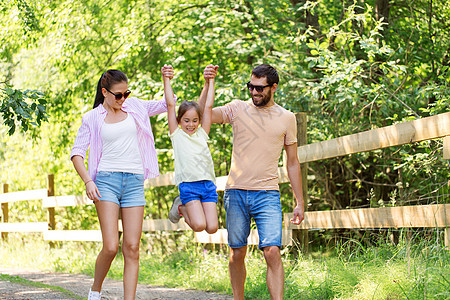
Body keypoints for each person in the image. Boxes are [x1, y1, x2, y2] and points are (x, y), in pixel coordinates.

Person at [199, 64, 305, 300]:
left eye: (260, 88)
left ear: (273, 87)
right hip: (235, 193)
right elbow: (200, 113)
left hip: (267, 194)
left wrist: (300, 201)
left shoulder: (287, 118)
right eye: (251, 87)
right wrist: (208, 84)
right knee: (237, 253)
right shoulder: (237, 108)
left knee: (272, 252)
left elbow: (293, 162)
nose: (254, 92)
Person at [70, 69, 173, 300]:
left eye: (126, 93)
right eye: (118, 95)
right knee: (110, 246)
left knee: (132, 248)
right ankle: (95, 290)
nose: (123, 98)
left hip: (134, 181)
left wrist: (166, 79)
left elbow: (168, 104)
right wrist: (88, 180)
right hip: (106, 182)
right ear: (104, 92)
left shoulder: (135, 106)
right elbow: (77, 153)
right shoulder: (92, 118)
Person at [162, 64, 219, 234]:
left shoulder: (202, 134)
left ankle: (184, 206)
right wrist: (166, 79)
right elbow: (170, 105)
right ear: (179, 121)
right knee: (199, 225)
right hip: (188, 186)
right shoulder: (177, 136)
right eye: (186, 120)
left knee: (212, 228)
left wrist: (211, 81)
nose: (191, 124)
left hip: (208, 185)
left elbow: (208, 107)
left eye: (195, 120)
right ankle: (181, 207)